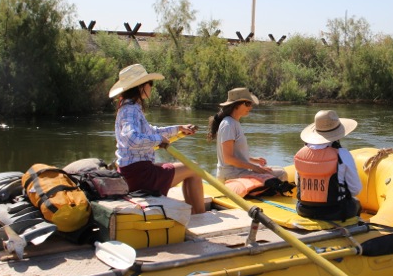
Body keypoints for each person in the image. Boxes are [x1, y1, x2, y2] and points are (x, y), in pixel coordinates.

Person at [109, 64, 205, 214]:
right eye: (150, 84)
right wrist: (159, 139)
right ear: (140, 86)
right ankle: (200, 216)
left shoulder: (129, 107)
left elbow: (150, 131)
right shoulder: (130, 110)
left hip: (134, 171)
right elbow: (132, 139)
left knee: (188, 167)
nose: (151, 87)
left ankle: (194, 214)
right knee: (194, 168)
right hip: (138, 175)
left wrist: (178, 128)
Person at [207, 88, 288, 182]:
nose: (250, 107)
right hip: (231, 175)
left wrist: (253, 160)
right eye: (247, 104)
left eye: (251, 104)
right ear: (235, 105)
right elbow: (228, 158)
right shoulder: (228, 124)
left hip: (239, 172)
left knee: (280, 170)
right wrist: (256, 168)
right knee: (281, 174)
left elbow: (235, 154)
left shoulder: (233, 123)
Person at [294, 110, 362, 221]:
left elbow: (298, 183)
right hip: (334, 211)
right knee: (356, 203)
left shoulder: (301, 153)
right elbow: (355, 189)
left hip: (303, 210)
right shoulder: (342, 154)